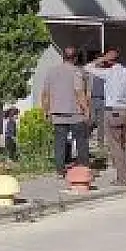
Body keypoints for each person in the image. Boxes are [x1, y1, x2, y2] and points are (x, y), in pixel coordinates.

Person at [84, 47, 126, 186]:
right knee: (124, 144)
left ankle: (122, 178)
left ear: (109, 60)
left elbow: (87, 67)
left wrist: (102, 58)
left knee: (115, 146)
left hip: (112, 111)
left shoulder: (108, 73)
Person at [39, 45, 91, 176]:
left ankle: (60, 170)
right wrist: (86, 109)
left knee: (59, 142)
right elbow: (79, 91)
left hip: (57, 112)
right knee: (81, 141)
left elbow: (45, 93)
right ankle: (83, 168)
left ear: (63, 57)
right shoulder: (77, 71)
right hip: (75, 113)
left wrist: (45, 110)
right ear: (75, 58)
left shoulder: (51, 72)